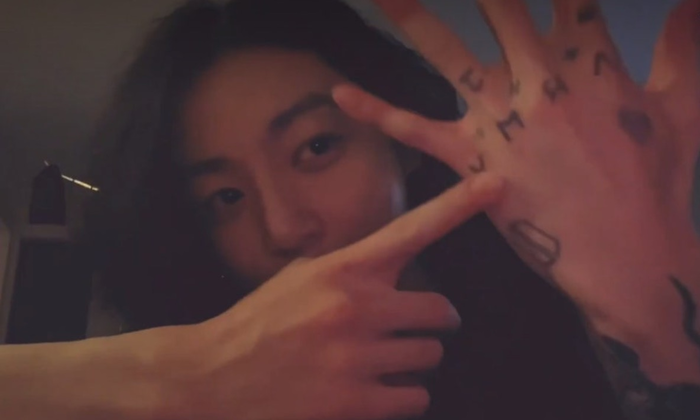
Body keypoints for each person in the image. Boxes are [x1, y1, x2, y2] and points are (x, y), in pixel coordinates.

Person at [0, 1, 698, 420]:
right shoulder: (192, 393)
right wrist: (179, 379)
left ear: (407, 144)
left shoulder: (553, 315)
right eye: (225, 198)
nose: (284, 227)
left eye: (316, 147)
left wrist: (655, 313)